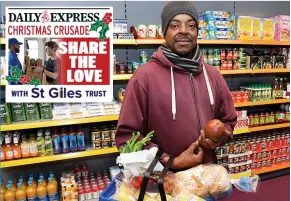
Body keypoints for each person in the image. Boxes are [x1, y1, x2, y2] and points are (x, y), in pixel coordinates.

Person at [115, 1, 237, 170]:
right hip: (164, 182)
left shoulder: (213, 75)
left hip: (206, 176)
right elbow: (127, 137)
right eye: (174, 25)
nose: (184, 31)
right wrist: (169, 161)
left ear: (197, 32)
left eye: (191, 25)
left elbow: (229, 120)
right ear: (164, 32)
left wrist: (218, 138)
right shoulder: (144, 78)